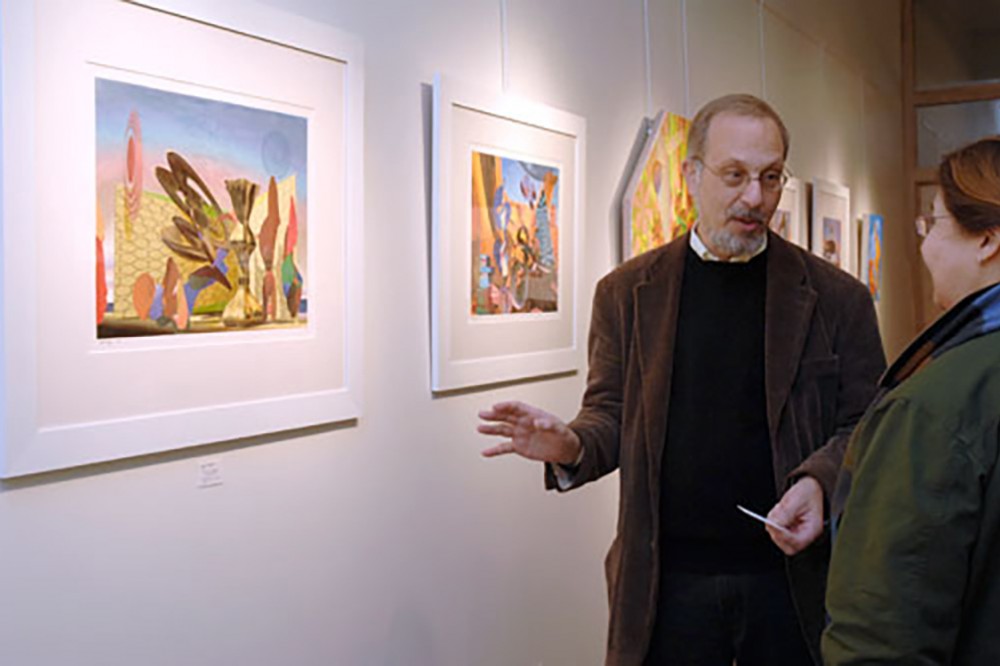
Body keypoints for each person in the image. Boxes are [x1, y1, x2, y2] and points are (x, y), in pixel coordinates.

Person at [478, 93, 885, 666]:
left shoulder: (836, 298)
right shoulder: (627, 293)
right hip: (666, 589)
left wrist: (818, 482)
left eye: (770, 177)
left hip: (792, 587)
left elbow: (867, 424)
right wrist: (571, 445)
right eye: (734, 175)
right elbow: (611, 414)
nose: (755, 197)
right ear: (692, 175)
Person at [823, 136, 1000, 664]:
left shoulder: (933, 408)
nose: (924, 245)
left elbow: (881, 638)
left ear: (987, 240)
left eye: (934, 223)